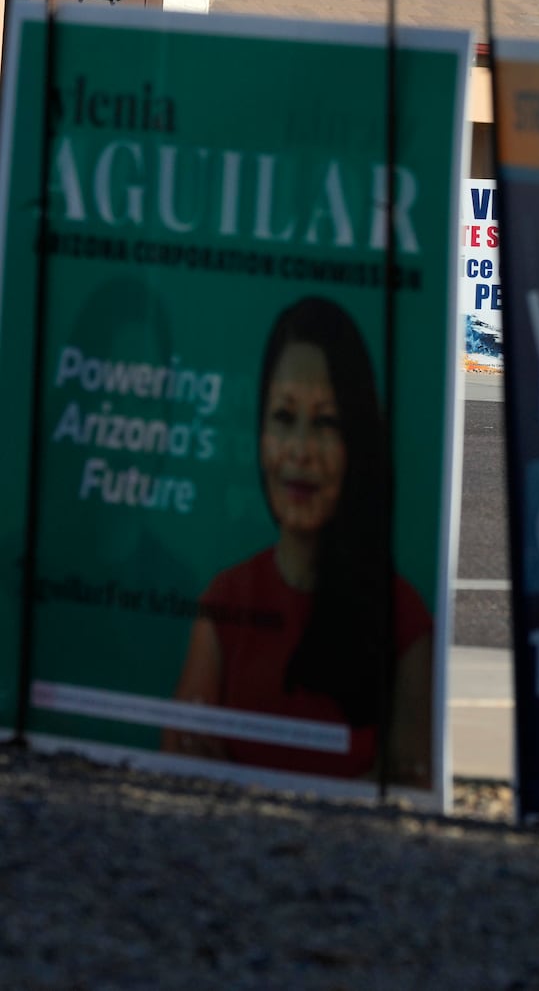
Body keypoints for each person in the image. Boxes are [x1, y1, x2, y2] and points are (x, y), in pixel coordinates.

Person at [163, 297, 434, 787]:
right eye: (284, 417)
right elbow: (183, 763)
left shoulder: (404, 619)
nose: (301, 451)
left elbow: (409, 783)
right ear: (260, 432)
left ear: (358, 443)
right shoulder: (225, 601)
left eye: (327, 423)